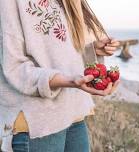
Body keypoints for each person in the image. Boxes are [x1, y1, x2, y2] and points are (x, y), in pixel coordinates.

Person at [0, 0, 120, 151]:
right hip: (37, 123)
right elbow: (14, 67)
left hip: (74, 114)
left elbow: (58, 54)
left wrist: (92, 51)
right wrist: (70, 81)